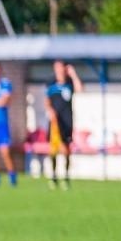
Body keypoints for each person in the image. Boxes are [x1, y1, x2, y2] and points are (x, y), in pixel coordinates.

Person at [44, 60, 82, 190]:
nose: (58, 70)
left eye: (61, 67)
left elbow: (80, 89)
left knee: (66, 150)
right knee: (53, 150)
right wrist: (49, 110)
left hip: (67, 120)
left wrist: (73, 74)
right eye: (56, 68)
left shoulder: (69, 83)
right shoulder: (51, 83)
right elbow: (46, 100)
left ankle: (65, 177)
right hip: (54, 121)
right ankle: (53, 176)